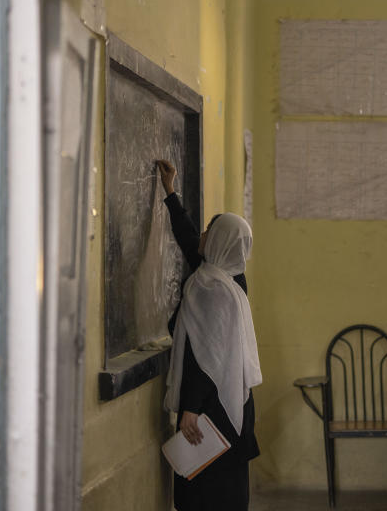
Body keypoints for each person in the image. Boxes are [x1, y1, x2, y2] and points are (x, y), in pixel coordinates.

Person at [156, 159, 262, 511]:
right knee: (227, 491)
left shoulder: (211, 289)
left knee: (202, 493)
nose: (200, 235)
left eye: (208, 232)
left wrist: (189, 408)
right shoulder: (226, 277)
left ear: (217, 241)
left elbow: (206, 357)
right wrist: (170, 192)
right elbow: (191, 241)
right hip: (232, 403)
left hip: (209, 411)